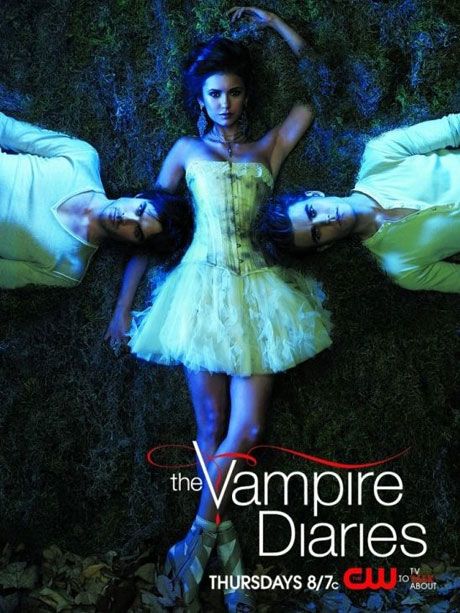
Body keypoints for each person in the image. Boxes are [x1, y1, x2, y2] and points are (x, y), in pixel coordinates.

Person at [106, 7, 332, 612]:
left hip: (260, 293)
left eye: (233, 92)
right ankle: (232, 566)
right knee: (210, 430)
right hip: (198, 293)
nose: (224, 104)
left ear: (245, 95)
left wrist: (272, 21)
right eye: (214, 94)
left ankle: (195, 539)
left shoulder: (268, 147)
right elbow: (153, 229)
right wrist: (124, 308)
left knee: (248, 430)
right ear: (200, 99)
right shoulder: (184, 151)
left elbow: (320, 89)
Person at [257, 113, 460, 293]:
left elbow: (454, 127)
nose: (325, 220)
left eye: (312, 212)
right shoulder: (401, 268)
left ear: (315, 195)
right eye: (316, 233)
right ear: (324, 246)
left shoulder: (380, 153)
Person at [0, 111, 190, 289]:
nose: (127, 218)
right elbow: (9, 130)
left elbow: (4, 274)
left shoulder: (69, 268)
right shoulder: (83, 158)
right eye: (140, 210)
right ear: (140, 196)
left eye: (137, 231)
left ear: (133, 243)